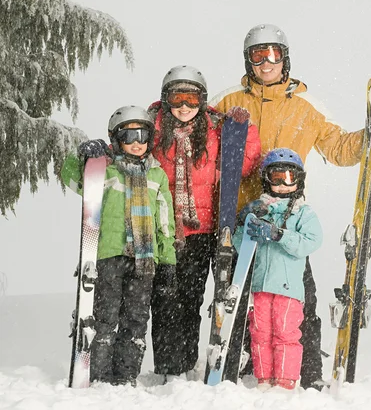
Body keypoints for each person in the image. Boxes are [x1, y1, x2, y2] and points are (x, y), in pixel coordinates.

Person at [210, 23, 371, 390]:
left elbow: (339, 147)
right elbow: (199, 142)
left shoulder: (305, 108)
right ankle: (238, 369)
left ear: (286, 59)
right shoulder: (229, 101)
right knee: (235, 303)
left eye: (274, 54)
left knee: (299, 302)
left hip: (288, 224)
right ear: (247, 60)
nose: (266, 62)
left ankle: (307, 373)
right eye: (258, 55)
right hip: (242, 224)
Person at [148, 65, 261, 381]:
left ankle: (206, 360)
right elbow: (129, 147)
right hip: (169, 231)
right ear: (165, 99)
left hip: (206, 230)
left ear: (203, 99)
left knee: (203, 298)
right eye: (177, 97)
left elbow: (244, 162)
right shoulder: (154, 129)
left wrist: (244, 129)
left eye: (192, 98)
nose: (184, 106)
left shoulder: (214, 128)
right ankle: (173, 368)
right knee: (169, 299)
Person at [61, 105, 176, 386]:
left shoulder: (158, 175)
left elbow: (165, 224)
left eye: (143, 135)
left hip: (144, 259)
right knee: (105, 318)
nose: (137, 142)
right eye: (129, 135)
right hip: (108, 256)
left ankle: (126, 376)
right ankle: (99, 374)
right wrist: (82, 156)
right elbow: (70, 177)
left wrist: (168, 261)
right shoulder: (105, 170)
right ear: (116, 139)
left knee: (136, 321)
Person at [233, 148, 322, 391]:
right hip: (261, 286)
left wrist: (279, 234)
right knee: (260, 332)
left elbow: (312, 241)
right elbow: (240, 246)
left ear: (299, 180)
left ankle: (284, 381)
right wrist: (244, 222)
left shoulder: (303, 212)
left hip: (288, 288)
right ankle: (264, 379)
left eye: (289, 177)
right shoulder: (260, 210)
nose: (283, 184)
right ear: (266, 179)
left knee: (286, 334)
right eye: (277, 177)